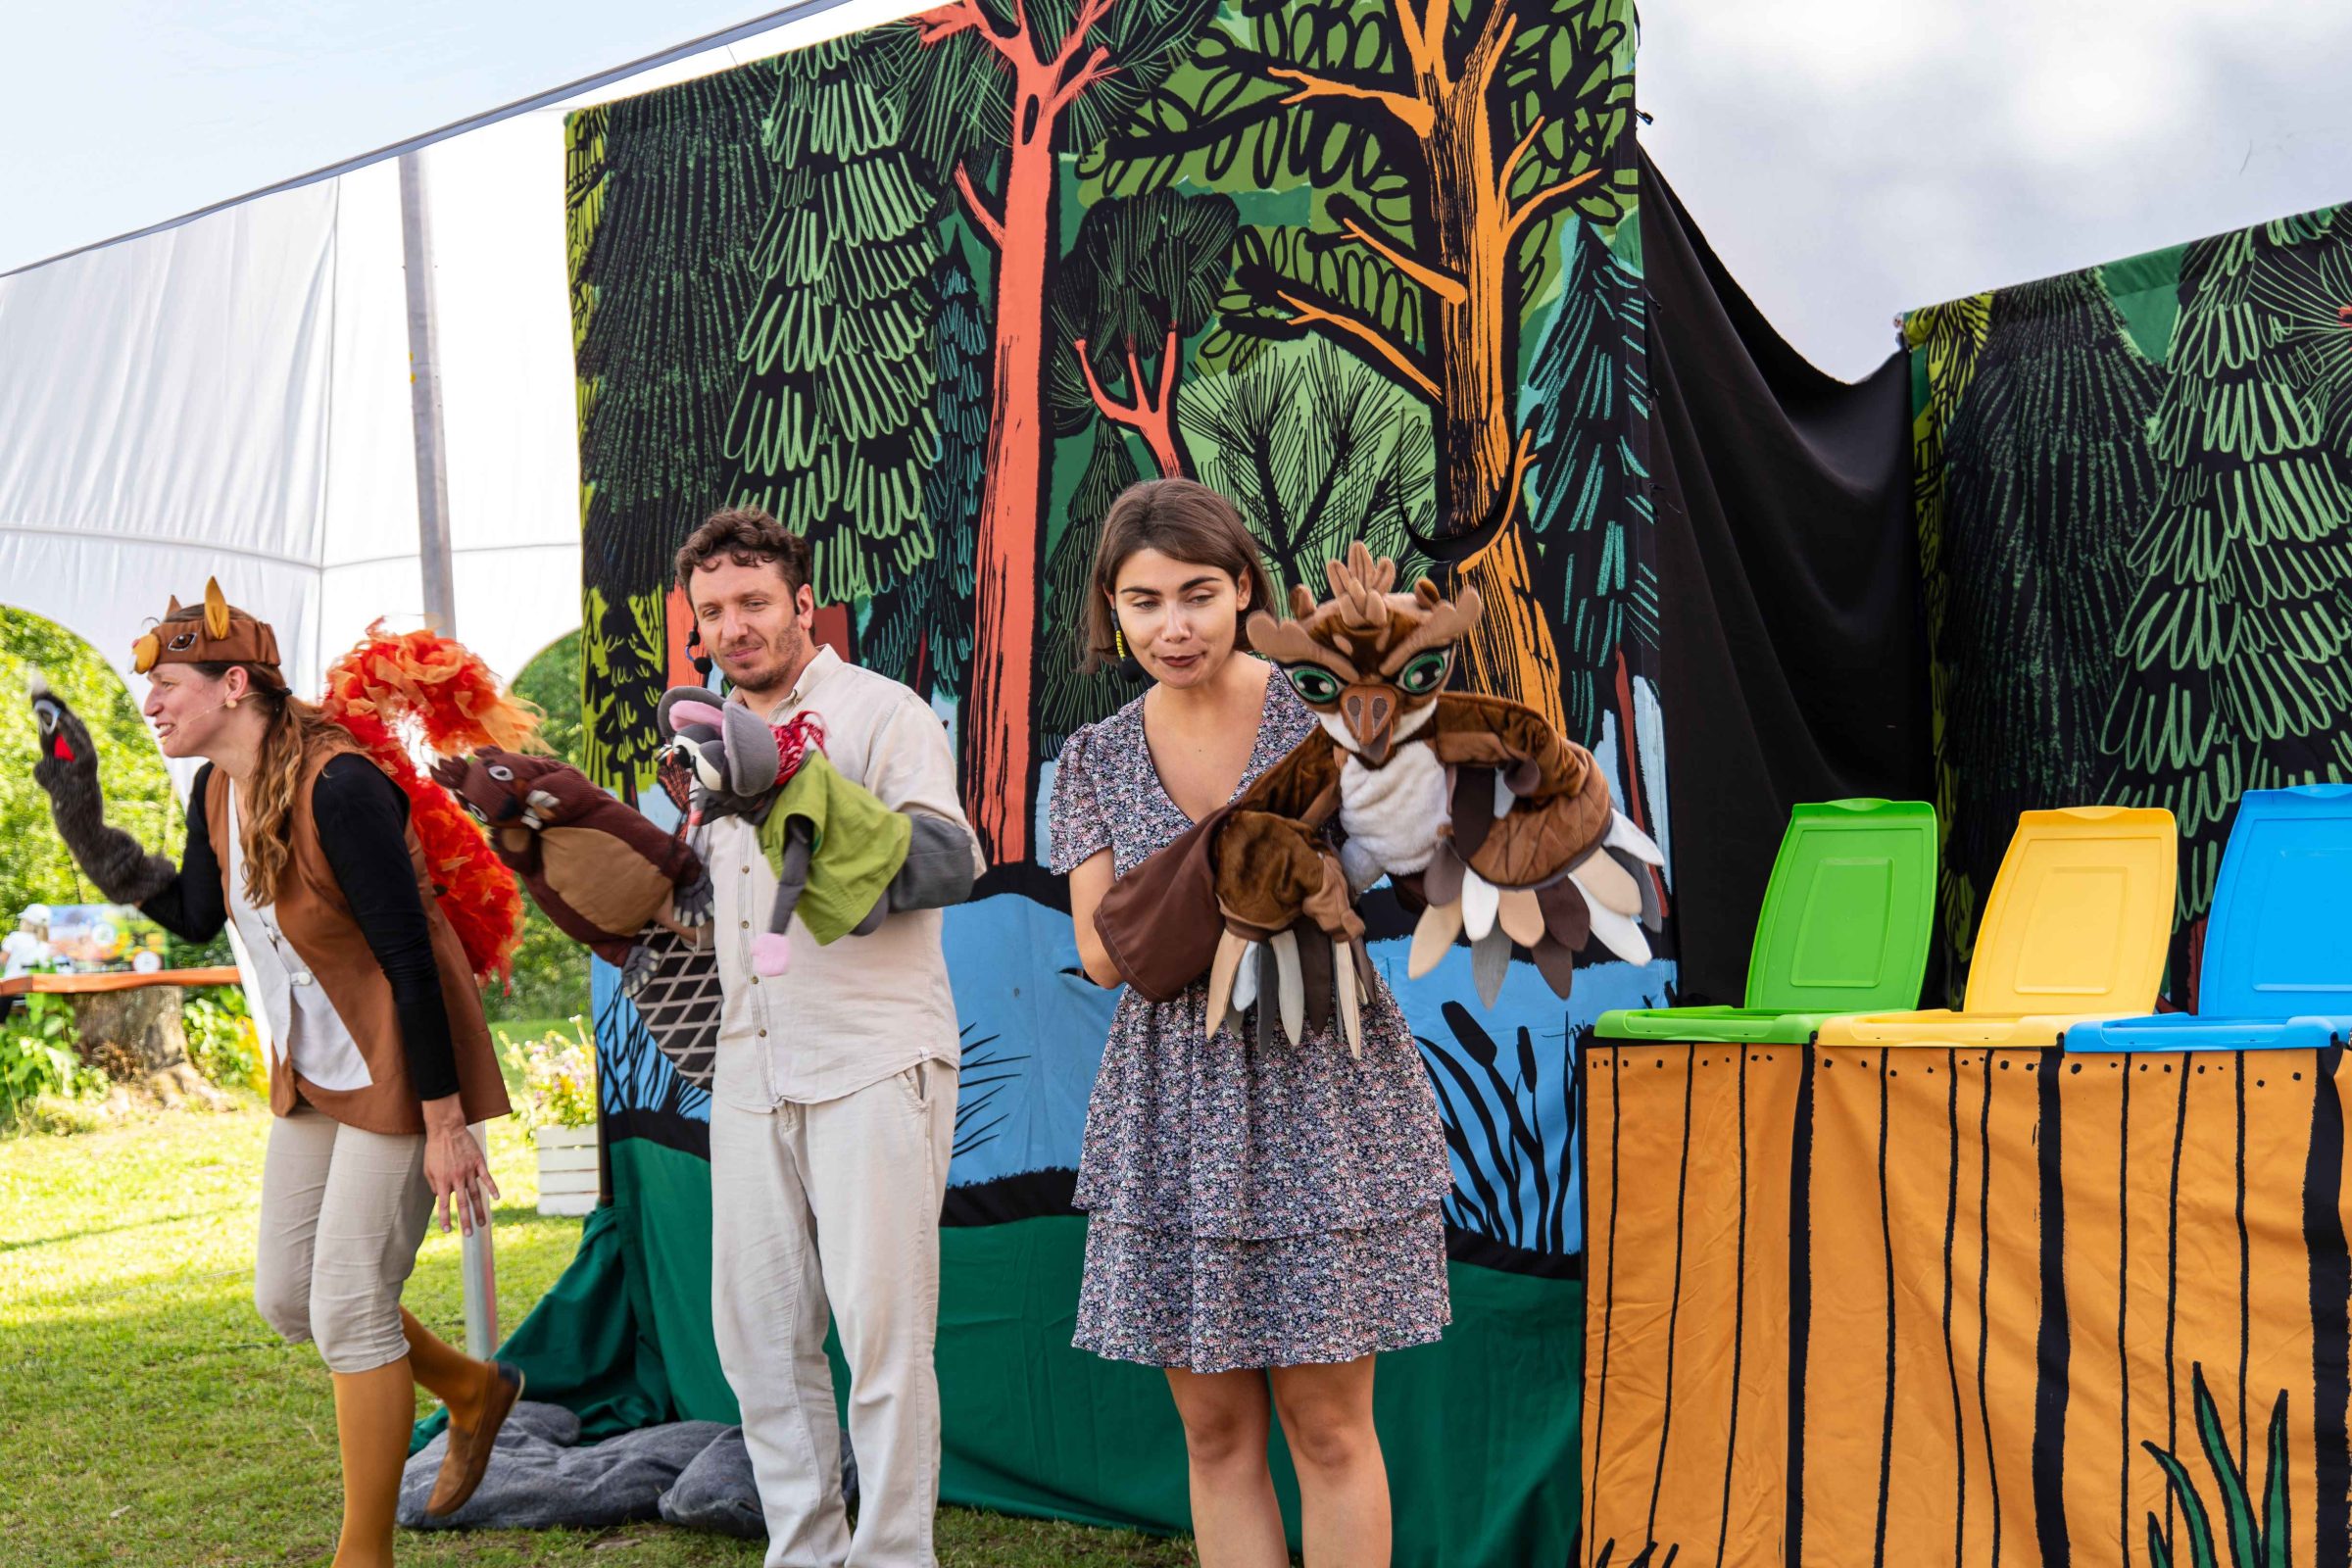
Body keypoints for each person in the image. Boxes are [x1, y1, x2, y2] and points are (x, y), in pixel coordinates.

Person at [30, 587, 522, 1566]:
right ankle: (472, 1389)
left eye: (168, 686)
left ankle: (361, 1556)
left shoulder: (340, 788)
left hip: (400, 1059)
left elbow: (411, 960)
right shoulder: (215, 789)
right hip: (316, 1064)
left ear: (234, 686)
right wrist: (82, 813)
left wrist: (445, 1124)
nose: (150, 704)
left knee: (349, 1306)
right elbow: (192, 912)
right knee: (290, 1296)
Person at [1048, 479, 1453, 1568]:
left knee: (1329, 1428)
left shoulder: (1325, 714)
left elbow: (1421, 857)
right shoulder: (1092, 759)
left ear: (1242, 589)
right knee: (1216, 1432)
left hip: (1320, 1079)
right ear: (1111, 608)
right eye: (1144, 602)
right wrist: (1237, 868)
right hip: (1175, 1101)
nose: (1172, 627)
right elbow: (1101, 952)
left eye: (1197, 594)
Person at [674, 507, 983, 1568]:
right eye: (713, 610)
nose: (734, 626)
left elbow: (948, 863)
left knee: (882, 1339)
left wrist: (798, 793)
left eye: (754, 602)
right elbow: (713, 911)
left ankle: (893, 1558)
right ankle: (805, 1552)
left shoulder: (882, 712)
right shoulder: (704, 737)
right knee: (760, 1340)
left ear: (804, 604)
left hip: (873, 1056)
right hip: (750, 1068)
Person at [2, 906, 52, 980]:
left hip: (12, 981)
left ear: (25, 921)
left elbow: (2, 959)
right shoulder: (47, 944)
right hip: (37, 983)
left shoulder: (15, 937)